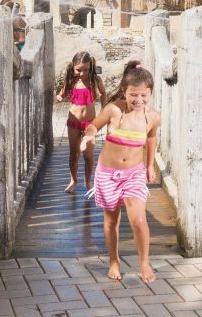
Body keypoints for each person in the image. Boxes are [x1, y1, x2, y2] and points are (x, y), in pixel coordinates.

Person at [80, 61, 160, 283]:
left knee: (139, 221)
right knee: (111, 221)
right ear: (125, 91)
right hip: (107, 173)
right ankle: (114, 260)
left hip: (133, 174)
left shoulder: (152, 116)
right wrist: (88, 135)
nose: (138, 100)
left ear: (150, 93)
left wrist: (149, 164)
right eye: (134, 95)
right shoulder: (113, 110)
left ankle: (144, 263)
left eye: (144, 95)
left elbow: (152, 138)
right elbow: (93, 125)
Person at [56, 51, 106, 193]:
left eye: (86, 69)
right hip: (73, 123)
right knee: (74, 153)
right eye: (79, 70)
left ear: (90, 67)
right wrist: (58, 97)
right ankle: (73, 180)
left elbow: (103, 93)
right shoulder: (71, 80)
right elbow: (62, 93)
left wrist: (104, 109)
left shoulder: (95, 80)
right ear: (73, 67)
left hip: (90, 123)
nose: (82, 73)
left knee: (88, 155)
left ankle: (88, 181)